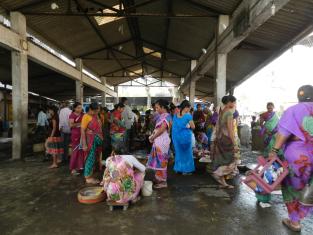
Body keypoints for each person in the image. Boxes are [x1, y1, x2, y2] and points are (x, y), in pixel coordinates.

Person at [268, 85, 313, 232]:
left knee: (292, 188)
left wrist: (274, 150)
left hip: (297, 157)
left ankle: (295, 222)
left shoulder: (293, 110)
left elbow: (283, 133)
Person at [212, 95, 238, 189]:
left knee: (222, 160)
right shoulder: (229, 114)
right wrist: (234, 143)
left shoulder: (222, 112)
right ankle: (217, 174)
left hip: (220, 139)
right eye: (234, 102)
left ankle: (223, 182)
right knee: (231, 160)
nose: (234, 104)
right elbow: (231, 130)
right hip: (227, 140)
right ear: (229, 102)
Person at [146, 99, 171, 189]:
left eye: (157, 107)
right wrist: (152, 136)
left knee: (161, 162)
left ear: (163, 107)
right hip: (158, 141)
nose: (156, 109)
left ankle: (163, 181)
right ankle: (158, 179)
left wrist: (153, 137)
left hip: (162, 142)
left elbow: (161, 130)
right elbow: (157, 129)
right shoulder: (161, 116)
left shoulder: (167, 116)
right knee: (156, 162)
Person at [81, 102, 103, 184]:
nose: (97, 113)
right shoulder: (86, 117)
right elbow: (82, 130)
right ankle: (88, 178)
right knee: (89, 158)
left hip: (96, 140)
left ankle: (91, 174)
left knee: (94, 158)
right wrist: (84, 144)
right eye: (95, 111)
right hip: (89, 141)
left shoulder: (95, 116)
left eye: (98, 111)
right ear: (90, 109)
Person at [172, 100, 195, 175]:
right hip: (185, 137)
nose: (189, 109)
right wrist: (188, 126)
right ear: (186, 107)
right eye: (189, 108)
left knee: (178, 153)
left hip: (176, 137)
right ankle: (186, 170)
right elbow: (193, 127)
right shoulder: (188, 115)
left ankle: (178, 169)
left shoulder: (175, 115)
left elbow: (174, 127)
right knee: (187, 153)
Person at [69, 102, 84, 175]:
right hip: (75, 135)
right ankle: (73, 168)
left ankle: (79, 167)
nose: (80, 109)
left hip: (82, 135)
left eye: (80, 107)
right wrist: (80, 124)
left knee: (81, 151)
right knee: (75, 151)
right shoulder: (72, 115)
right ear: (74, 108)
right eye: (78, 107)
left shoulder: (82, 115)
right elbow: (71, 125)